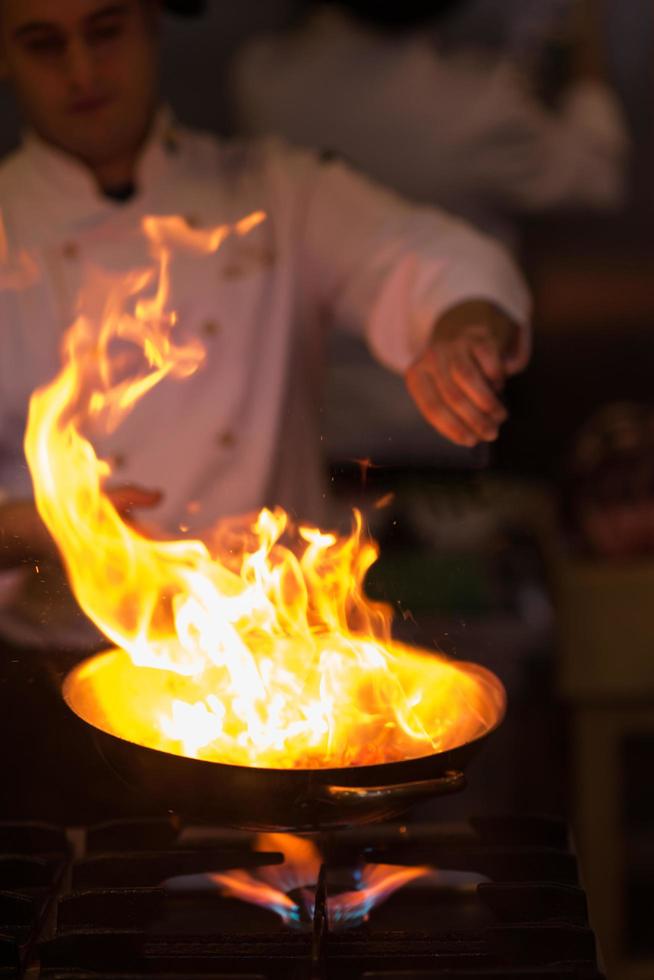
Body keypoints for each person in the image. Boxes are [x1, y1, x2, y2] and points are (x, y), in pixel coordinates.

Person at [0, 0, 530, 643]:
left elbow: (430, 256)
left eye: (105, 31)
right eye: (43, 44)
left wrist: (462, 329)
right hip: (55, 664)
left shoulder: (271, 191)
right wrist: (39, 527)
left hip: (279, 664)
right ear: (6, 56)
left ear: (149, 25)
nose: (82, 71)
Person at [232, 0, 629, 244]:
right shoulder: (479, 111)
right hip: (445, 357)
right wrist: (587, 54)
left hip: (302, 360)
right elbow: (597, 179)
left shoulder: (262, 79)